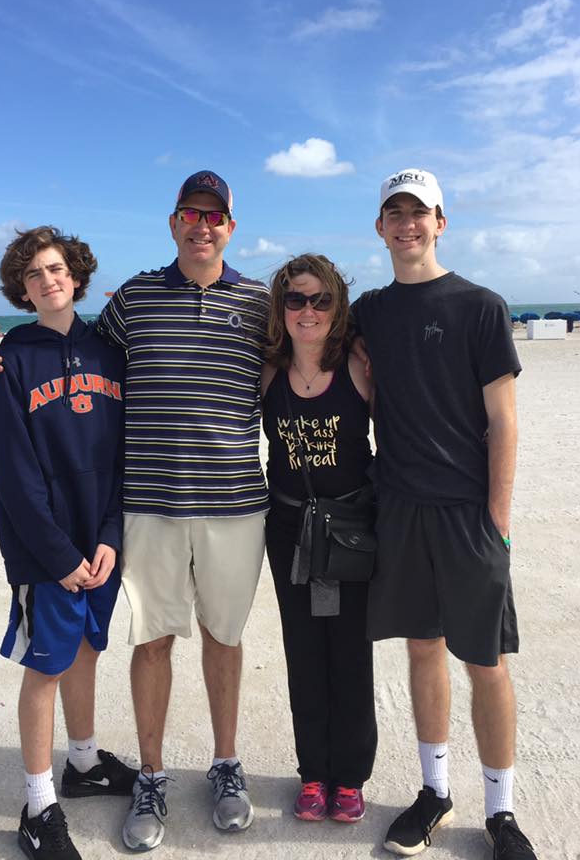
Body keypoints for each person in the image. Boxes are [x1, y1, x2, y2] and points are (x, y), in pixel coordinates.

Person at [0, 172, 270, 853]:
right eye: (190, 215)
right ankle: (139, 777)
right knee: (150, 641)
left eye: (216, 216)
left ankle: (216, 766)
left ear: (231, 225)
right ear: (173, 224)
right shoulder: (133, 301)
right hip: (144, 510)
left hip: (223, 506)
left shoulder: (259, 302)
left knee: (217, 638)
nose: (203, 225)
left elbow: (299, 360)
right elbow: (54, 373)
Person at [352, 169, 537, 859]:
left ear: (440, 221)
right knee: (422, 647)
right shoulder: (371, 310)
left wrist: (497, 521)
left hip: (468, 513)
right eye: (394, 213)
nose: (407, 224)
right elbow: (357, 379)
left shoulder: (480, 306)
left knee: (484, 661)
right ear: (379, 227)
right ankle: (433, 792)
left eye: (419, 213)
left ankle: (501, 811)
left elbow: (503, 421)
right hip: (399, 505)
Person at [0, 226, 137, 860]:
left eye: (56, 268)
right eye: (33, 274)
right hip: (43, 549)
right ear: (22, 289)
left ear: (76, 275)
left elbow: (120, 453)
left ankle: (82, 763)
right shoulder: (11, 361)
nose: (47, 280)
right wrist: (58, 555)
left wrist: (105, 537)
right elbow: (15, 475)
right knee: (45, 666)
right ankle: (39, 802)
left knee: (84, 652)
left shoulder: (108, 353)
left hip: (98, 542)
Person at [261, 254, 377, 824]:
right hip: (288, 532)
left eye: (320, 299)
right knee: (303, 653)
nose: (308, 311)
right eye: (295, 300)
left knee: (351, 653)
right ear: (280, 309)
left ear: (337, 304)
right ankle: (313, 774)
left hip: (351, 531)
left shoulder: (359, 365)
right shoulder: (267, 371)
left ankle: (350, 778)